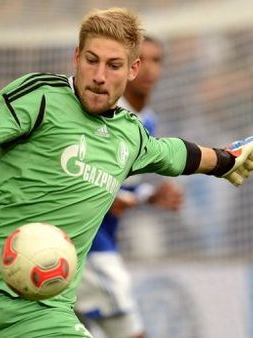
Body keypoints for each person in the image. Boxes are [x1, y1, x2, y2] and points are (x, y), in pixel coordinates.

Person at [0, 7, 253, 338]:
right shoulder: (39, 95)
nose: (100, 75)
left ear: (132, 70)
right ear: (76, 57)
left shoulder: (131, 135)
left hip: (43, 314)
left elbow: (176, 154)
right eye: (91, 60)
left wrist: (226, 160)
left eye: (114, 65)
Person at [75, 36, 184, 338]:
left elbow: (119, 187)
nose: (149, 69)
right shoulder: (104, 113)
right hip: (87, 246)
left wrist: (150, 195)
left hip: (101, 240)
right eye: (142, 60)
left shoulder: (147, 121)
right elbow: (82, 177)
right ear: (129, 68)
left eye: (156, 60)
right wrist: (111, 198)